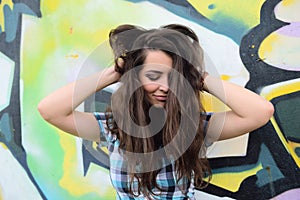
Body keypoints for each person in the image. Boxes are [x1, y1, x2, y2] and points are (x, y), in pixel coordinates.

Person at [37, 24, 274, 199]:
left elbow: (260, 112)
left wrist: (199, 78)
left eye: (174, 77)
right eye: (153, 76)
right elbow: (50, 110)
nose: (165, 87)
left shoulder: (194, 128)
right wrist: (114, 73)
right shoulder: (113, 129)